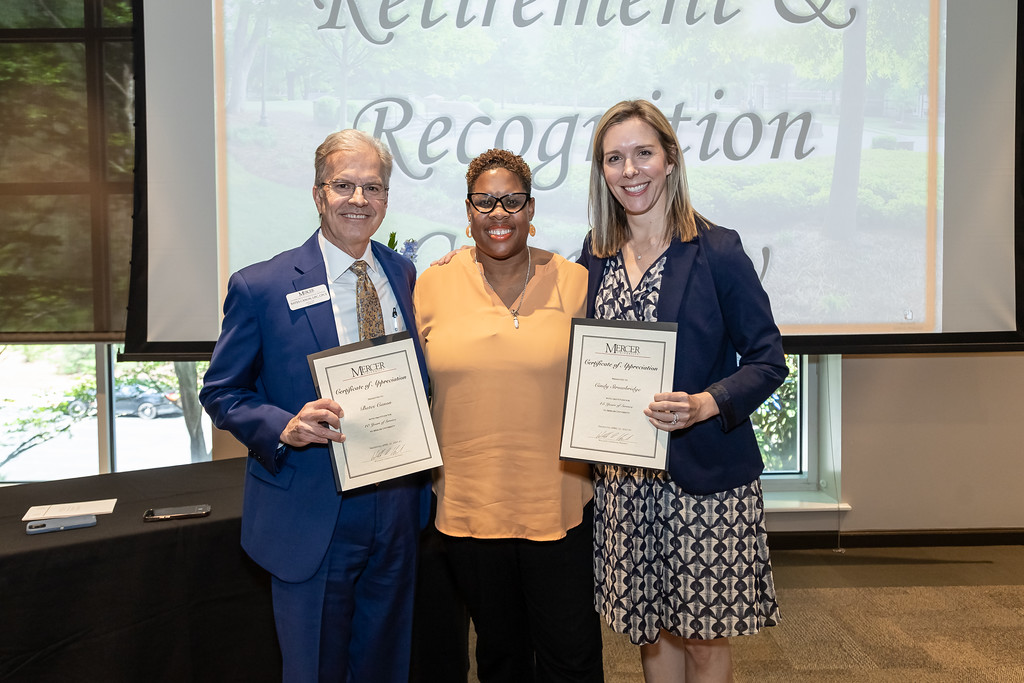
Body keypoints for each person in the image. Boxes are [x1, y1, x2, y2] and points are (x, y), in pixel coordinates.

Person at [200, 129, 429, 683]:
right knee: (315, 670)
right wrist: (284, 426)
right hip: (313, 506)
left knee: (385, 665)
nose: (359, 199)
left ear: (386, 199)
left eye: (372, 188)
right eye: (344, 185)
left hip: (396, 505)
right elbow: (221, 391)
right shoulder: (261, 286)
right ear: (318, 193)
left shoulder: (400, 272)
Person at [580, 100, 787, 682]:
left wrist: (704, 404)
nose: (630, 170)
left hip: (704, 484)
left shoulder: (716, 250)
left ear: (669, 158)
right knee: (650, 630)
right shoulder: (594, 257)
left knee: (702, 637)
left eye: (642, 153)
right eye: (614, 158)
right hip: (626, 483)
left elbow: (769, 359)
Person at [412, 149, 604, 683]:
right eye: (485, 201)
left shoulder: (576, 282)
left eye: (512, 201)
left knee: (572, 655)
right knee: (500, 657)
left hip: (558, 504)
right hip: (469, 508)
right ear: (468, 211)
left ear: (531, 208)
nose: (500, 212)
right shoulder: (431, 284)